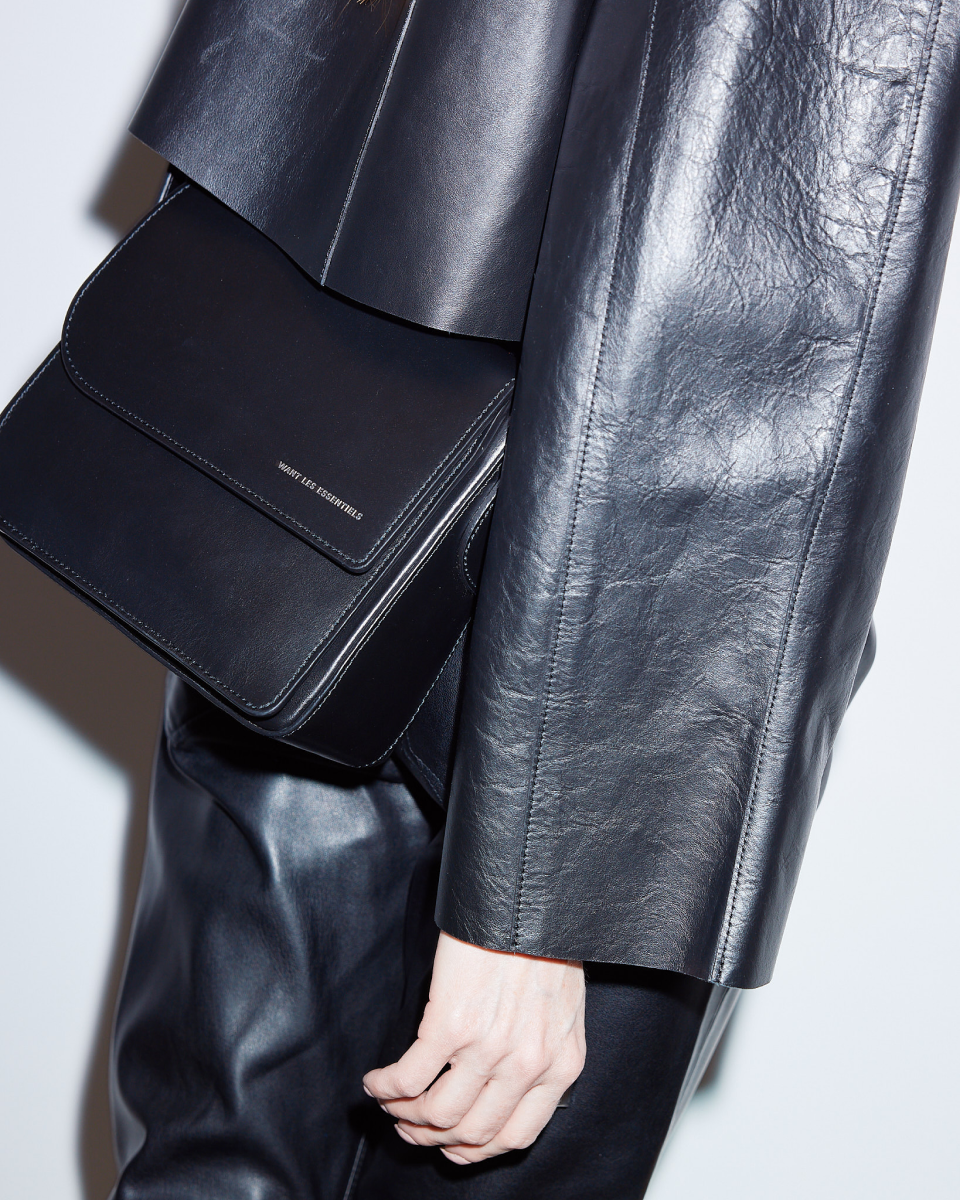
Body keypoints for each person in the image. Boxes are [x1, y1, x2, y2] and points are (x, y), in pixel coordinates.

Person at [100, 0, 960, 1197]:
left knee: (215, 1167)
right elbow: (748, 214)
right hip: (597, 624)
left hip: (320, 493)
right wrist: (545, 898)